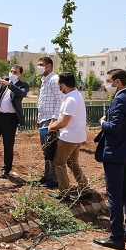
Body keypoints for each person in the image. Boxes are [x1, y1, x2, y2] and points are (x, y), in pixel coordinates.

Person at [93, 69, 126, 250]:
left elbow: (114, 128)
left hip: (116, 154)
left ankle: (117, 236)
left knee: (115, 195)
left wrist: (102, 122)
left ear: (117, 82)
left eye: (108, 81)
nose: (106, 84)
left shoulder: (119, 100)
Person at [47, 72, 93, 200]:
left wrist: (51, 127)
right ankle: (86, 190)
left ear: (63, 85)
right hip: (77, 136)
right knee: (73, 163)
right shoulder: (75, 95)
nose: (59, 87)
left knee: (59, 162)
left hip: (69, 137)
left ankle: (64, 193)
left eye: (59, 85)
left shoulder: (71, 99)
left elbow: (64, 122)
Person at [36, 57, 63, 188]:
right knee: (46, 150)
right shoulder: (45, 80)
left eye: (41, 65)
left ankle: (53, 178)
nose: (39, 67)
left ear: (49, 66)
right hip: (44, 119)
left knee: (51, 149)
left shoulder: (54, 79)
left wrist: (54, 120)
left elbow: (59, 101)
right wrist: (39, 118)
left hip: (50, 121)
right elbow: (44, 101)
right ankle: (47, 175)